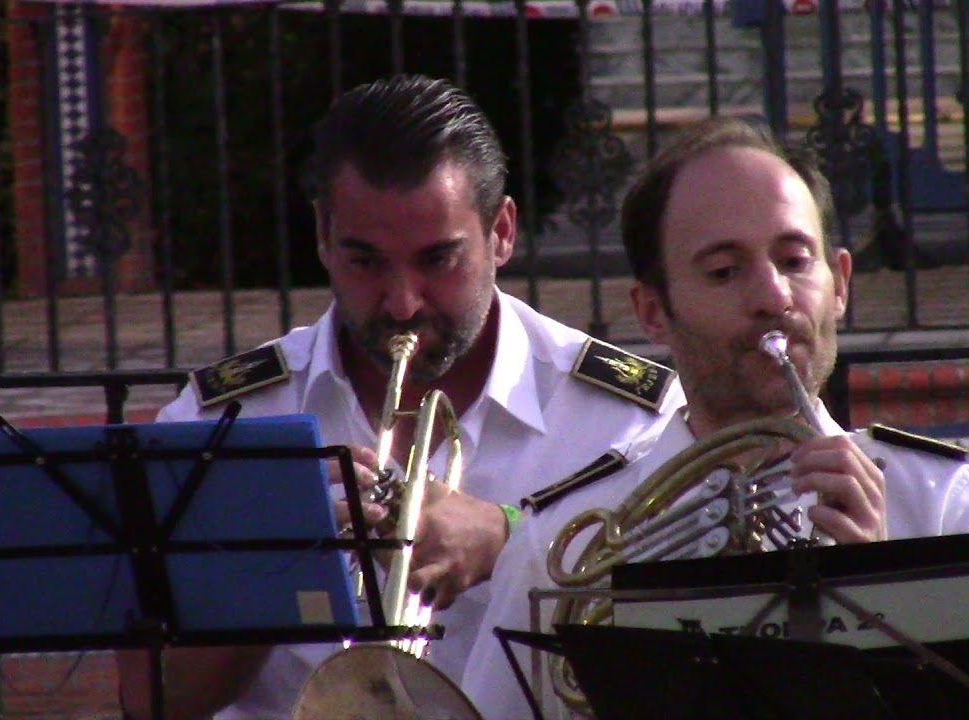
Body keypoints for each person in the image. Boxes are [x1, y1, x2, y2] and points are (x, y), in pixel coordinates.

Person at [459, 117, 969, 720]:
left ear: (840, 284)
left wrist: (883, 590)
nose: (774, 297)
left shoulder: (940, 500)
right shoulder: (564, 542)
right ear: (653, 312)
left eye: (795, 261)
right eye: (724, 272)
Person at [116, 74, 684, 720]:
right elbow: (151, 701)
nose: (403, 303)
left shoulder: (626, 418)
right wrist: (272, 568)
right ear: (323, 234)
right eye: (366, 262)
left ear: (501, 232)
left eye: (437, 260)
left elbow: (680, 660)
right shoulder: (218, 423)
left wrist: (514, 539)